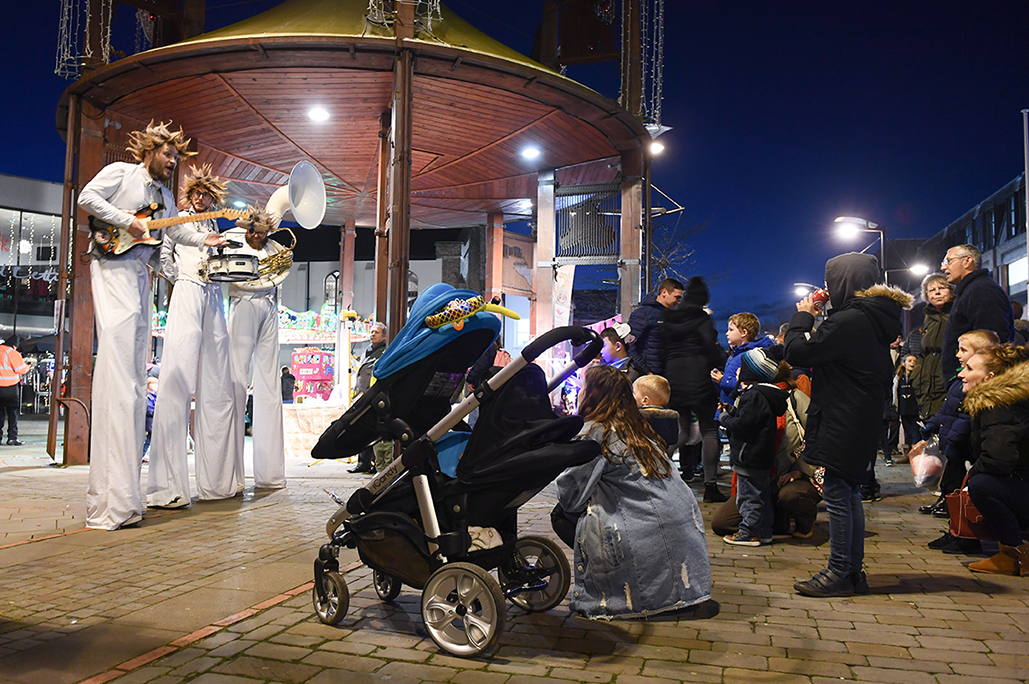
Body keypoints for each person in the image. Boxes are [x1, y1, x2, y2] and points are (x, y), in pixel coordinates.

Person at [78, 120, 195, 530]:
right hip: (111, 267)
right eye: (168, 154)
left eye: (176, 157)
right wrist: (127, 221)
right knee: (118, 356)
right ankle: (109, 500)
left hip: (139, 277)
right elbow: (87, 197)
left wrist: (210, 240)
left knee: (132, 374)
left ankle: (125, 495)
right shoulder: (122, 174)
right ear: (151, 150)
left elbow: (176, 233)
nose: (172, 162)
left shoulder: (164, 197)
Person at [785, 252, 911, 597]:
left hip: (843, 416)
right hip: (859, 415)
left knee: (840, 494)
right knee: (848, 492)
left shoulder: (851, 319)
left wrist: (803, 316)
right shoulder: (873, 317)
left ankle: (840, 571)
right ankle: (851, 571)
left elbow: (797, 352)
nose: (826, 289)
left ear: (843, 283)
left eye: (830, 283)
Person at [554, 364, 711, 619]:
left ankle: (618, 579)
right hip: (687, 552)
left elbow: (571, 497)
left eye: (583, 387)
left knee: (561, 514)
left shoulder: (596, 431)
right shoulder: (641, 426)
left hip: (647, 537)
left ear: (592, 394)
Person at [148, 165, 240, 507]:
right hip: (189, 289)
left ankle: (218, 480)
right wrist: (182, 280)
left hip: (213, 294)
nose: (201, 199)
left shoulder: (213, 224)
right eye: (197, 194)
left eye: (206, 194)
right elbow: (163, 256)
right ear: (191, 195)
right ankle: (167, 486)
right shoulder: (180, 219)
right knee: (178, 375)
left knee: (218, 381)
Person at [226, 207, 290, 490]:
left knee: (269, 385)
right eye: (252, 231)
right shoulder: (231, 240)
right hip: (243, 303)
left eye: (261, 232)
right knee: (237, 379)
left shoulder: (274, 248)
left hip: (268, 305)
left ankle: (270, 473)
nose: (255, 236)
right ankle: (230, 473)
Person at [921, 329, 999, 553]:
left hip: (960, 447)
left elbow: (965, 417)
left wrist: (953, 440)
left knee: (958, 491)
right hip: (952, 444)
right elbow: (948, 410)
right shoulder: (961, 380)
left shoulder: (974, 386)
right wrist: (932, 426)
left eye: (963, 350)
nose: (957, 354)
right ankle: (955, 531)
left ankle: (966, 536)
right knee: (950, 490)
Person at [958, 344, 1029, 575]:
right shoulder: (1003, 401)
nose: (961, 374)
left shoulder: (997, 406)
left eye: (969, 368)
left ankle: (1013, 554)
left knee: (982, 486)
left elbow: (1000, 458)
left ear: (989, 377)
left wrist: (971, 477)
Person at [661, 276, 727, 496]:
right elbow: (709, 346)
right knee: (709, 430)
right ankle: (710, 486)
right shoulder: (701, 319)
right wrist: (720, 361)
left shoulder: (669, 317)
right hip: (697, 376)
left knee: (681, 429)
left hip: (674, 376)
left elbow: (662, 348)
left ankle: (657, 473)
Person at [719, 345, 788, 546]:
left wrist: (724, 418)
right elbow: (752, 419)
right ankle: (764, 531)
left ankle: (749, 532)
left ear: (752, 372)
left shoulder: (754, 396)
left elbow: (743, 425)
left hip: (748, 455)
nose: (738, 371)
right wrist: (733, 410)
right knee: (761, 495)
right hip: (761, 456)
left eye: (742, 368)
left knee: (749, 497)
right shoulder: (765, 395)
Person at [941, 244, 1014, 381]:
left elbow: (990, 344)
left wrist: (970, 377)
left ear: (967, 261)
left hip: (975, 384)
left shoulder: (982, 291)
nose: (943, 267)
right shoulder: (970, 290)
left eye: (948, 261)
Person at [910, 274, 954, 418]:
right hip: (926, 387)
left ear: (951, 291)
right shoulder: (928, 318)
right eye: (932, 290)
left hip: (948, 383)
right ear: (927, 296)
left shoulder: (957, 313)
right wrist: (915, 377)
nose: (937, 292)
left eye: (942, 288)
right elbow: (923, 352)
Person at [711, 312, 775, 407]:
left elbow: (748, 387)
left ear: (744, 333)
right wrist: (718, 380)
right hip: (728, 408)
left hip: (741, 410)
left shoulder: (751, 357)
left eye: (731, 330)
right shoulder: (733, 356)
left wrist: (722, 380)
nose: (726, 333)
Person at [349, 322, 388, 474]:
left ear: (384, 335)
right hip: (360, 395)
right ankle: (362, 463)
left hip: (373, 397)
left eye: (376, 332)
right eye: (371, 332)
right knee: (361, 429)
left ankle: (374, 463)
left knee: (372, 429)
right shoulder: (367, 350)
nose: (372, 334)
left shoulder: (384, 352)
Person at [627, 278, 683, 375]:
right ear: (664, 292)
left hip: (665, 374)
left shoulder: (670, 316)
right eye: (676, 297)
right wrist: (646, 372)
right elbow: (629, 344)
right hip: (647, 375)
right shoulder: (643, 313)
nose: (678, 301)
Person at [632, 374, 679, 453]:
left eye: (634, 393)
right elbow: (673, 440)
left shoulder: (638, 417)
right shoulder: (670, 418)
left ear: (645, 400)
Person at [0, 338, 29, 445]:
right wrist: (27, 367)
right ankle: (12, 437)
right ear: (14, 345)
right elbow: (20, 369)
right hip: (10, 388)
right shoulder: (12, 353)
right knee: (12, 414)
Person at [893, 354, 921, 462]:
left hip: (915, 410)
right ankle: (907, 455)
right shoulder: (899, 378)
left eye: (914, 361)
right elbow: (895, 392)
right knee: (906, 432)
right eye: (909, 361)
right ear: (904, 364)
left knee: (915, 432)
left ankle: (916, 456)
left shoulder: (918, 376)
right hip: (903, 409)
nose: (912, 363)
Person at [142, 377, 158, 463]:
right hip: (150, 421)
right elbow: (149, 409)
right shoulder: (148, 396)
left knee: (150, 439)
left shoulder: (154, 395)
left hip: (153, 421)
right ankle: (142, 454)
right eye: (153, 384)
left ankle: (143, 454)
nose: (155, 386)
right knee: (149, 440)